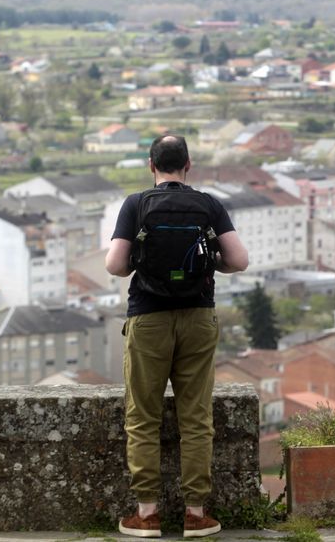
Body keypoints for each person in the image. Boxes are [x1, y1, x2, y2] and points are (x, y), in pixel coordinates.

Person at [106, 135, 249, 539]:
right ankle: (196, 514)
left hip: (148, 318)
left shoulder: (136, 204)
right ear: (188, 165)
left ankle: (147, 514)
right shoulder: (208, 204)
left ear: (151, 165)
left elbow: (115, 266)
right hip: (198, 316)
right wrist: (211, 264)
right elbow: (238, 260)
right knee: (196, 417)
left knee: (142, 416)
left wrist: (139, 259)